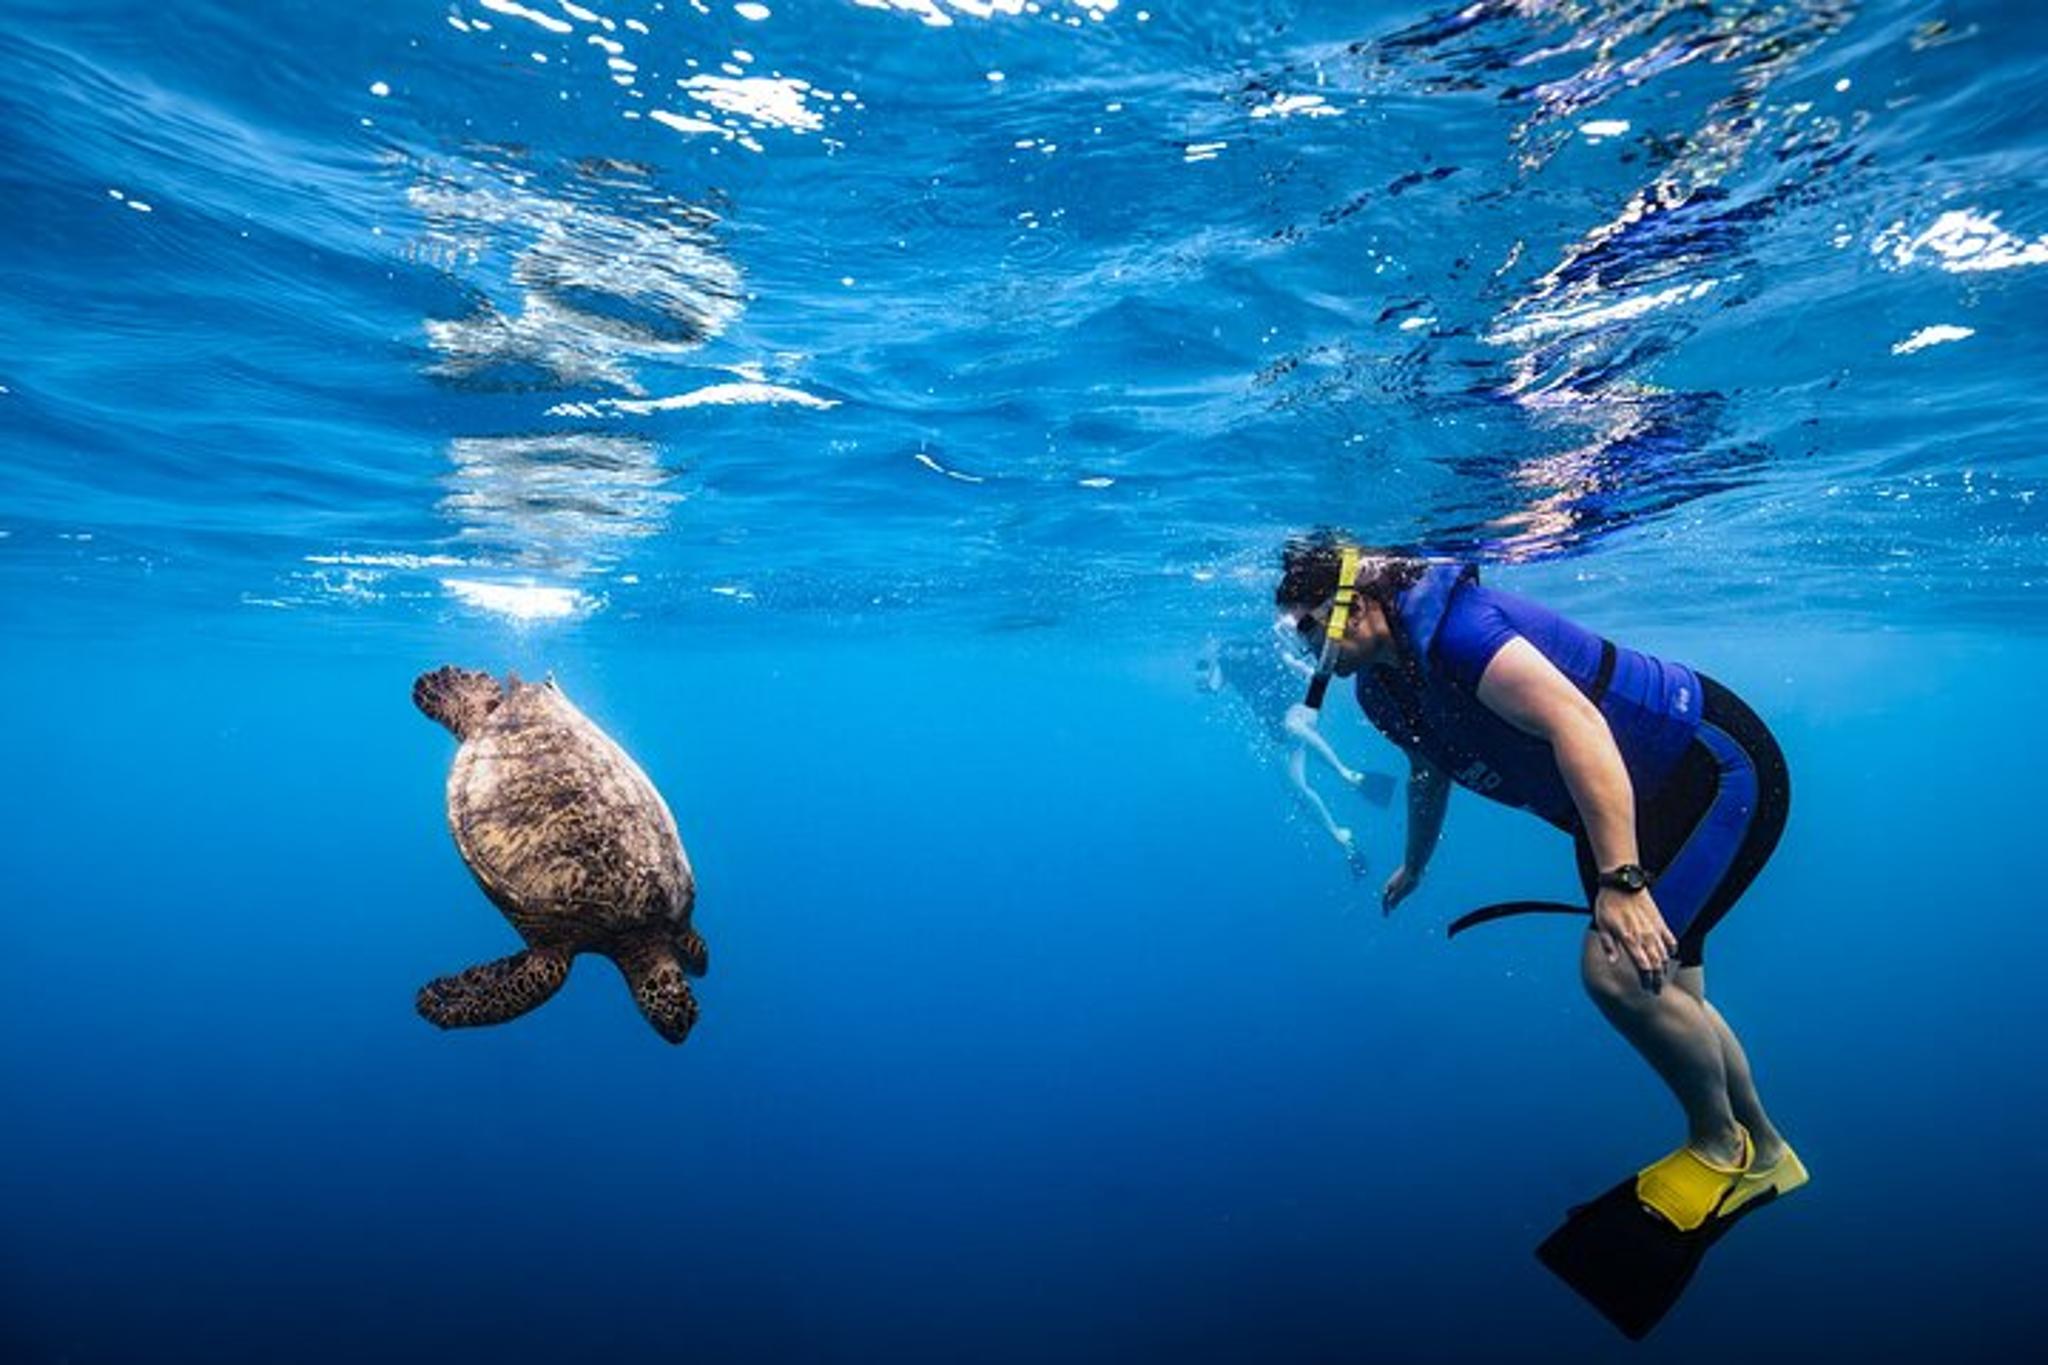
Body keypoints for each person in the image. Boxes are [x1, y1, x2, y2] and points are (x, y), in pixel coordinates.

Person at [1274, 532, 1806, 1232]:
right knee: (1663, 991)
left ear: (1355, 601)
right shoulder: (1382, 689)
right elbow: (1429, 771)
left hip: (1710, 770)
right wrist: (1417, 862)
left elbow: (1576, 721)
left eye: (1308, 626)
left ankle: (1718, 1146)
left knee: (1615, 974)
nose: (1306, 649)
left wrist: (1622, 880)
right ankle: (1767, 1152)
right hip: (1622, 804)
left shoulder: (1461, 631)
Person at [1197, 628, 1394, 876]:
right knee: (1295, 789)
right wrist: (1206, 662)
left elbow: (1312, 675)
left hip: (1300, 708)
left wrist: (1310, 688)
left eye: (1236, 647)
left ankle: (1347, 773)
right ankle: (1342, 837)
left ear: (1247, 645)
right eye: (1228, 649)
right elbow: (1209, 688)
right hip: (1276, 728)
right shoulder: (1225, 665)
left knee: (1293, 726)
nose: (1232, 652)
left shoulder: (1269, 652)